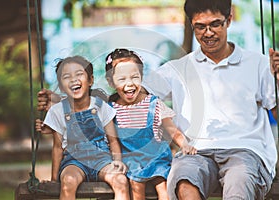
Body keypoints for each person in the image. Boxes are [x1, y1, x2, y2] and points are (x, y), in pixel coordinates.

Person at [142, 0, 279, 199]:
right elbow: (139, 94)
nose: (208, 33)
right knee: (184, 182)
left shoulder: (259, 63)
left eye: (215, 24)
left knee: (240, 182)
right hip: (194, 152)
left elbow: (276, 113)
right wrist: (167, 124)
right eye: (200, 26)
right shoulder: (178, 68)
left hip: (245, 151)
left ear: (229, 20)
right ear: (192, 25)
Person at [105, 48, 197, 200]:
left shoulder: (154, 104)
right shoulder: (111, 109)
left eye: (134, 77)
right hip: (132, 160)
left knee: (163, 188)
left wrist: (184, 145)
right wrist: (117, 162)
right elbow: (113, 141)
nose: (129, 84)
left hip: (157, 158)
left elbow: (172, 130)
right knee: (136, 185)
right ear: (111, 81)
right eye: (122, 79)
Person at [35, 55, 130, 200]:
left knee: (121, 180)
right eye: (67, 76)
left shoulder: (100, 106)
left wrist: (117, 161)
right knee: (68, 181)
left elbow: (113, 141)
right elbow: (57, 148)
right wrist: (54, 180)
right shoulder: (58, 110)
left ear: (90, 80)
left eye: (79, 74)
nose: (73, 79)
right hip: (74, 161)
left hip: (101, 160)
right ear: (61, 86)